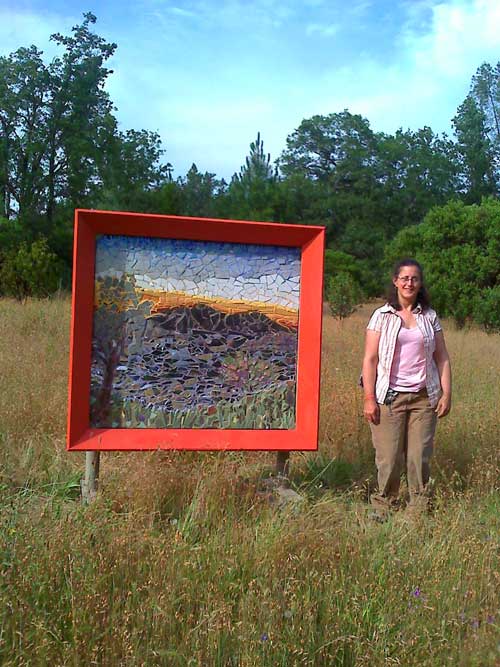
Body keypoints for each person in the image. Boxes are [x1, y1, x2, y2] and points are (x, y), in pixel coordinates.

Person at [362, 258, 452, 519]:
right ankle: (382, 506)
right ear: (395, 281)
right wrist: (369, 398)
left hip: (424, 398)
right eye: (404, 278)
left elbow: (442, 357)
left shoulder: (430, 316)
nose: (409, 283)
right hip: (389, 398)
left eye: (414, 278)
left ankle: (418, 509)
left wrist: (447, 394)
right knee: (389, 458)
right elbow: (369, 359)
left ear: (420, 283)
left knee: (418, 457)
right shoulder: (381, 316)